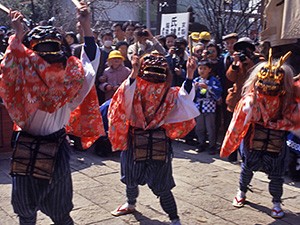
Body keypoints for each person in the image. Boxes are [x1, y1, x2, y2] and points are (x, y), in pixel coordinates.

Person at [0, 3, 104, 224]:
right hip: (40, 144)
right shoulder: (71, 77)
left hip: (45, 145)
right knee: (32, 210)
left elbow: (9, 65)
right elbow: (90, 64)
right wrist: (86, 27)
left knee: (48, 211)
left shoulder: (22, 75)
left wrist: (17, 35)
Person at [108, 51, 199, 225]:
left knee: (159, 185)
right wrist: (189, 75)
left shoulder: (164, 90)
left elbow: (183, 97)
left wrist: (189, 74)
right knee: (131, 178)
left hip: (149, 140)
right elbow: (185, 97)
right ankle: (132, 203)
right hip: (142, 139)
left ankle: (174, 218)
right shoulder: (139, 87)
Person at [220, 49, 300, 219]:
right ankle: (241, 191)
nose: (270, 83)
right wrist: (229, 146)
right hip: (253, 138)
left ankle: (276, 202)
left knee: (277, 174)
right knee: (248, 167)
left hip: (276, 140)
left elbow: (292, 119)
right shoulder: (250, 98)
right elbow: (237, 123)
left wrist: (277, 124)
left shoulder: (286, 99)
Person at [193, 60, 222, 154]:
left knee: (210, 127)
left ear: (209, 69)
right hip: (198, 106)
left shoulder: (213, 80)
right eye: (200, 68)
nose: (202, 71)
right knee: (199, 127)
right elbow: (190, 93)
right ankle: (201, 143)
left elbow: (218, 91)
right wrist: (195, 88)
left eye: (204, 68)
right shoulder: (196, 80)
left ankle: (212, 145)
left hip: (209, 106)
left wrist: (208, 88)